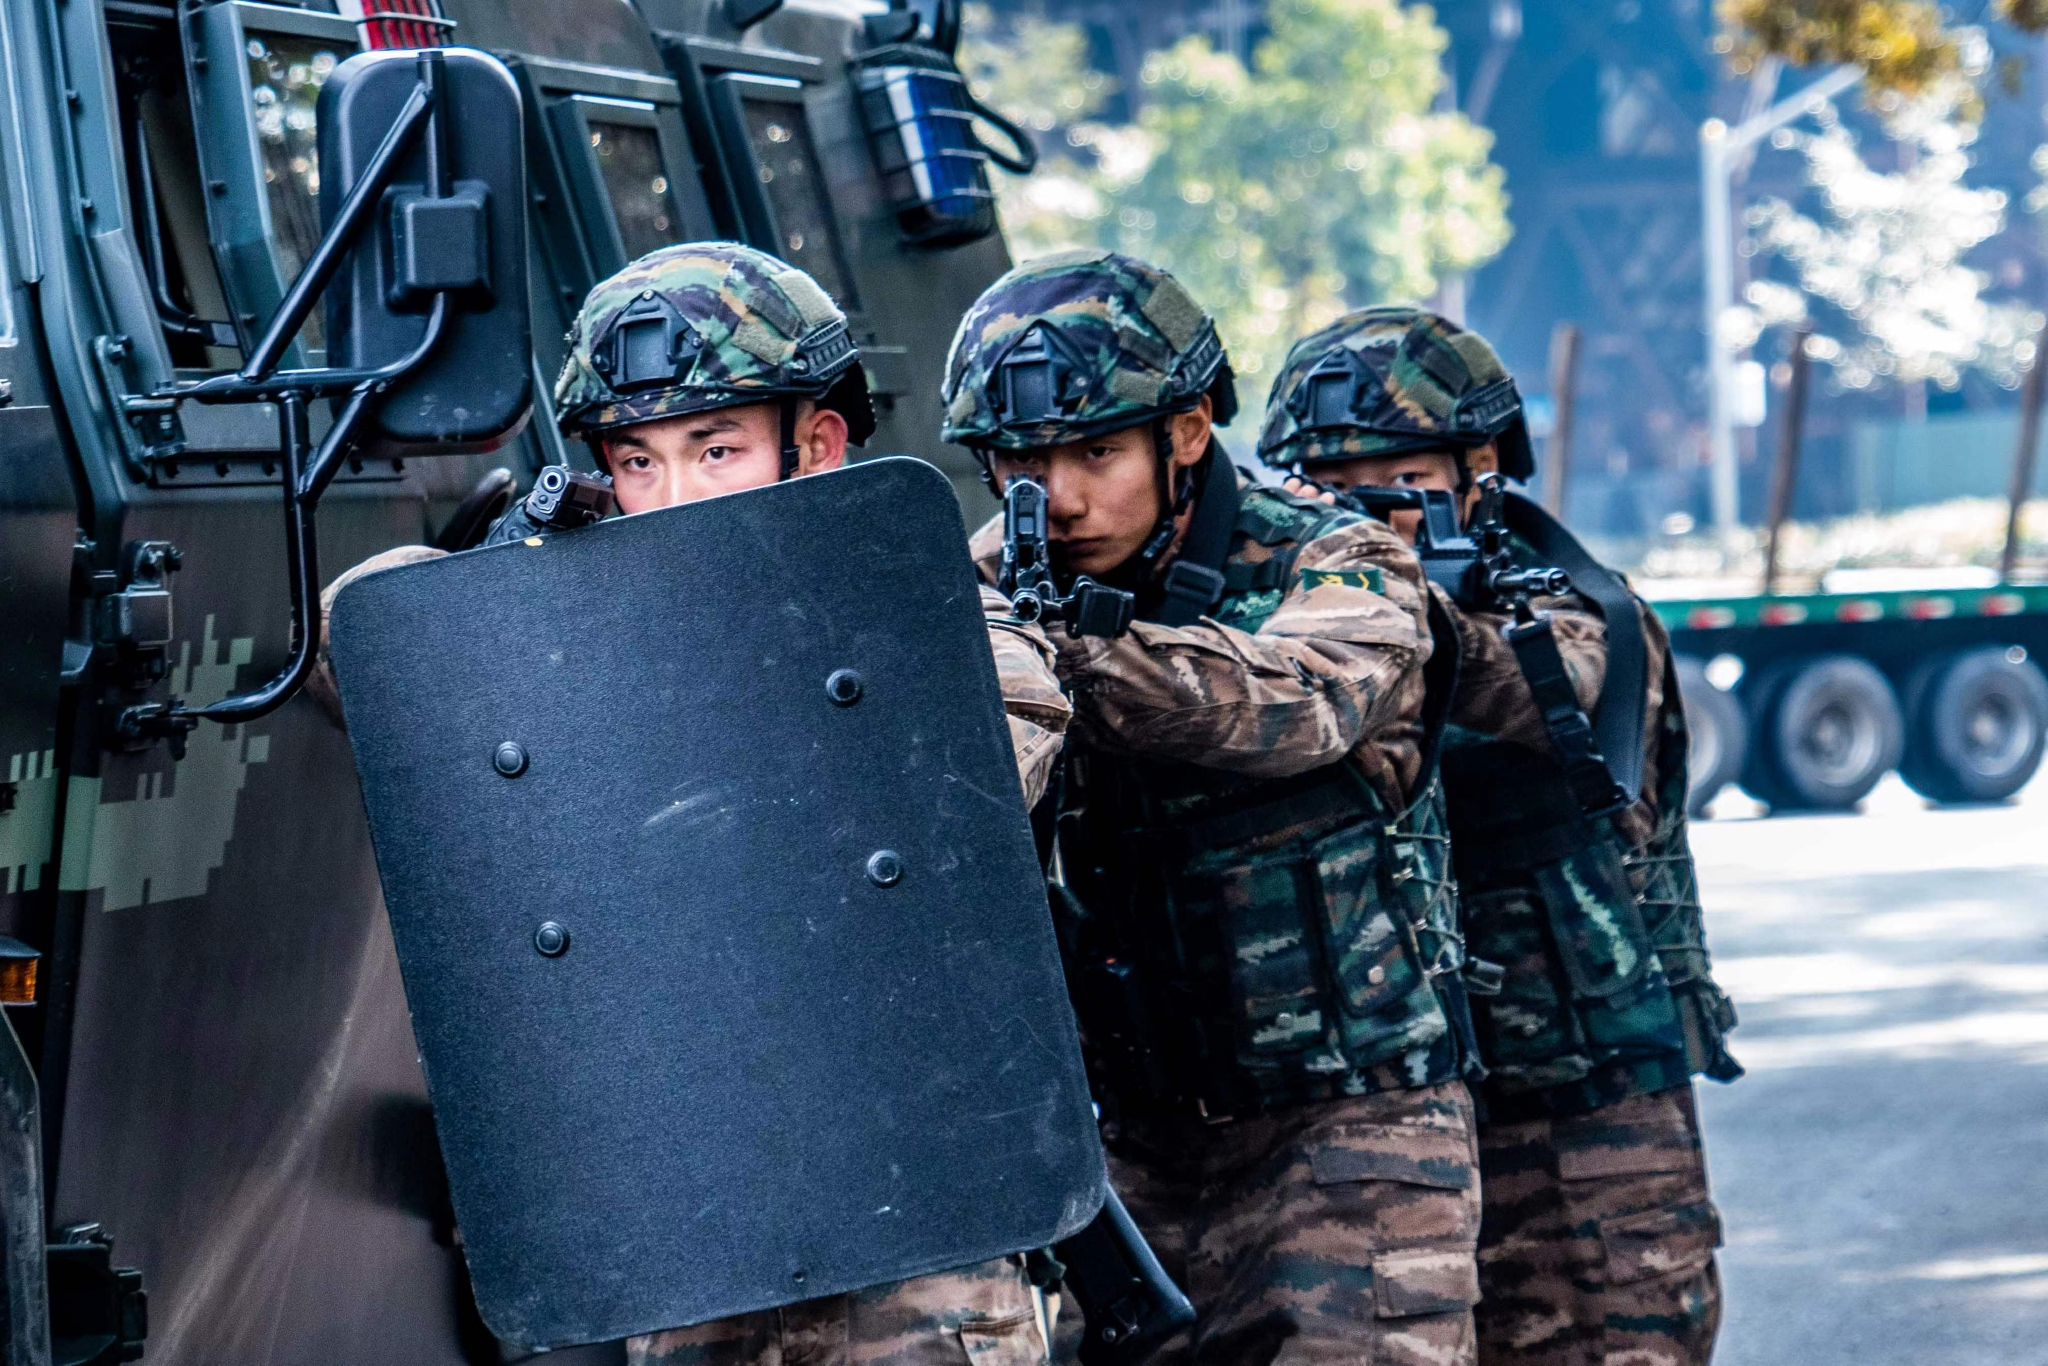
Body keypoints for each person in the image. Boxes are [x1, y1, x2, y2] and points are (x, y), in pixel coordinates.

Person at [311, 242, 1069, 1366]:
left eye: (713, 450)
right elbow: (359, 632)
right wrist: (516, 587)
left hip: (915, 1261)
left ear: (815, 447)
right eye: (635, 460)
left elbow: (932, 773)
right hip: (688, 1250)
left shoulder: (951, 632)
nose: (667, 498)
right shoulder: (582, 643)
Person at [943, 249, 1486, 1366]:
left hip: (1354, 1135)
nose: (1063, 495)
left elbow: (1299, 704)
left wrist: (1071, 657)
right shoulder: (987, 579)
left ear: (1187, 431)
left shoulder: (1333, 551)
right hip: (1129, 1153)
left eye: (1096, 451)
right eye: (1022, 461)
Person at [1256, 306, 1740, 1366]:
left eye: (1400, 479)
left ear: (1482, 469)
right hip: (1375, 1120)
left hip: (1579, 1110)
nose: (1364, 512)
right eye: (1325, 489)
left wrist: (1384, 617)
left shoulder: (1574, 611)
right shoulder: (1277, 631)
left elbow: (1554, 690)